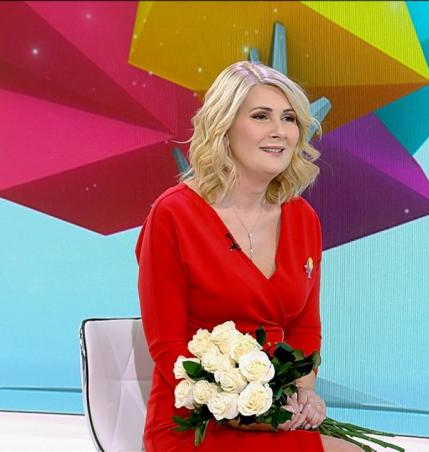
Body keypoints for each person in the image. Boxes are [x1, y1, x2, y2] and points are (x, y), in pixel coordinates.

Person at [136, 61, 358, 451]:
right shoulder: (173, 214)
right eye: (261, 116)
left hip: (278, 414)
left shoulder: (303, 218)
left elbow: (305, 329)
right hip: (197, 420)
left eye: (289, 118)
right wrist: (245, 413)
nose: (280, 131)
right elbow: (167, 345)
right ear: (224, 126)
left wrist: (304, 395)